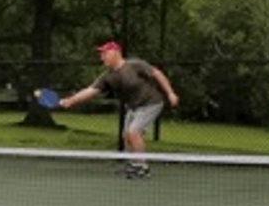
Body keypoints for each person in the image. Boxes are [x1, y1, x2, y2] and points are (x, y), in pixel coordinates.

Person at [58, 41, 180, 178]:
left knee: (133, 132)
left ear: (115, 53)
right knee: (126, 136)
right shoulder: (108, 76)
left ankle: (143, 167)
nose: (102, 57)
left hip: (151, 103)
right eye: (101, 54)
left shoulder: (135, 65)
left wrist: (170, 93)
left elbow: (157, 74)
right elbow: (90, 90)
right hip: (134, 107)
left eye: (104, 53)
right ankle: (134, 165)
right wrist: (71, 100)